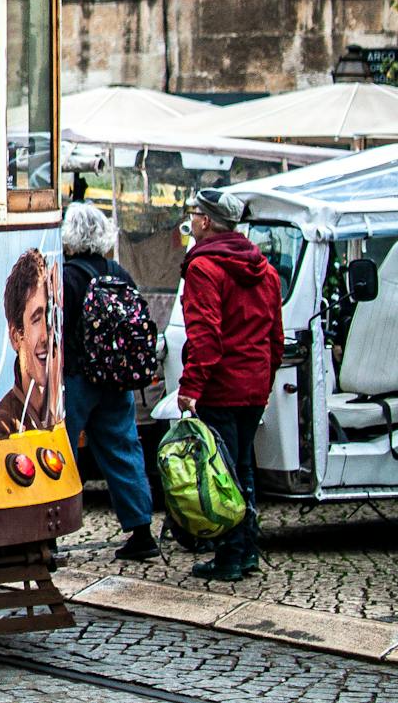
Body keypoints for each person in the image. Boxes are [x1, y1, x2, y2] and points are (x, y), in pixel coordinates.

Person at [178, 187, 282, 582]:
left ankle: (230, 557)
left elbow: (206, 336)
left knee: (221, 472)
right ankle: (249, 550)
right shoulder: (266, 270)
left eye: (193, 216)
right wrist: (265, 382)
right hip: (253, 384)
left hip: (221, 386)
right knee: (242, 468)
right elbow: (275, 335)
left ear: (205, 221)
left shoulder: (205, 268)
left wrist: (191, 386)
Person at [60, 202, 159, 561]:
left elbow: (58, 331)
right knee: (123, 449)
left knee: (61, 454)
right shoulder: (119, 272)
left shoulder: (66, 276)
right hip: (116, 378)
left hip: (76, 379)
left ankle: (51, 533)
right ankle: (142, 531)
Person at [0, 248, 61, 438]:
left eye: (52, 317)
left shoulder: (63, 407)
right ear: (16, 337)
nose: (46, 336)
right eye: (36, 319)